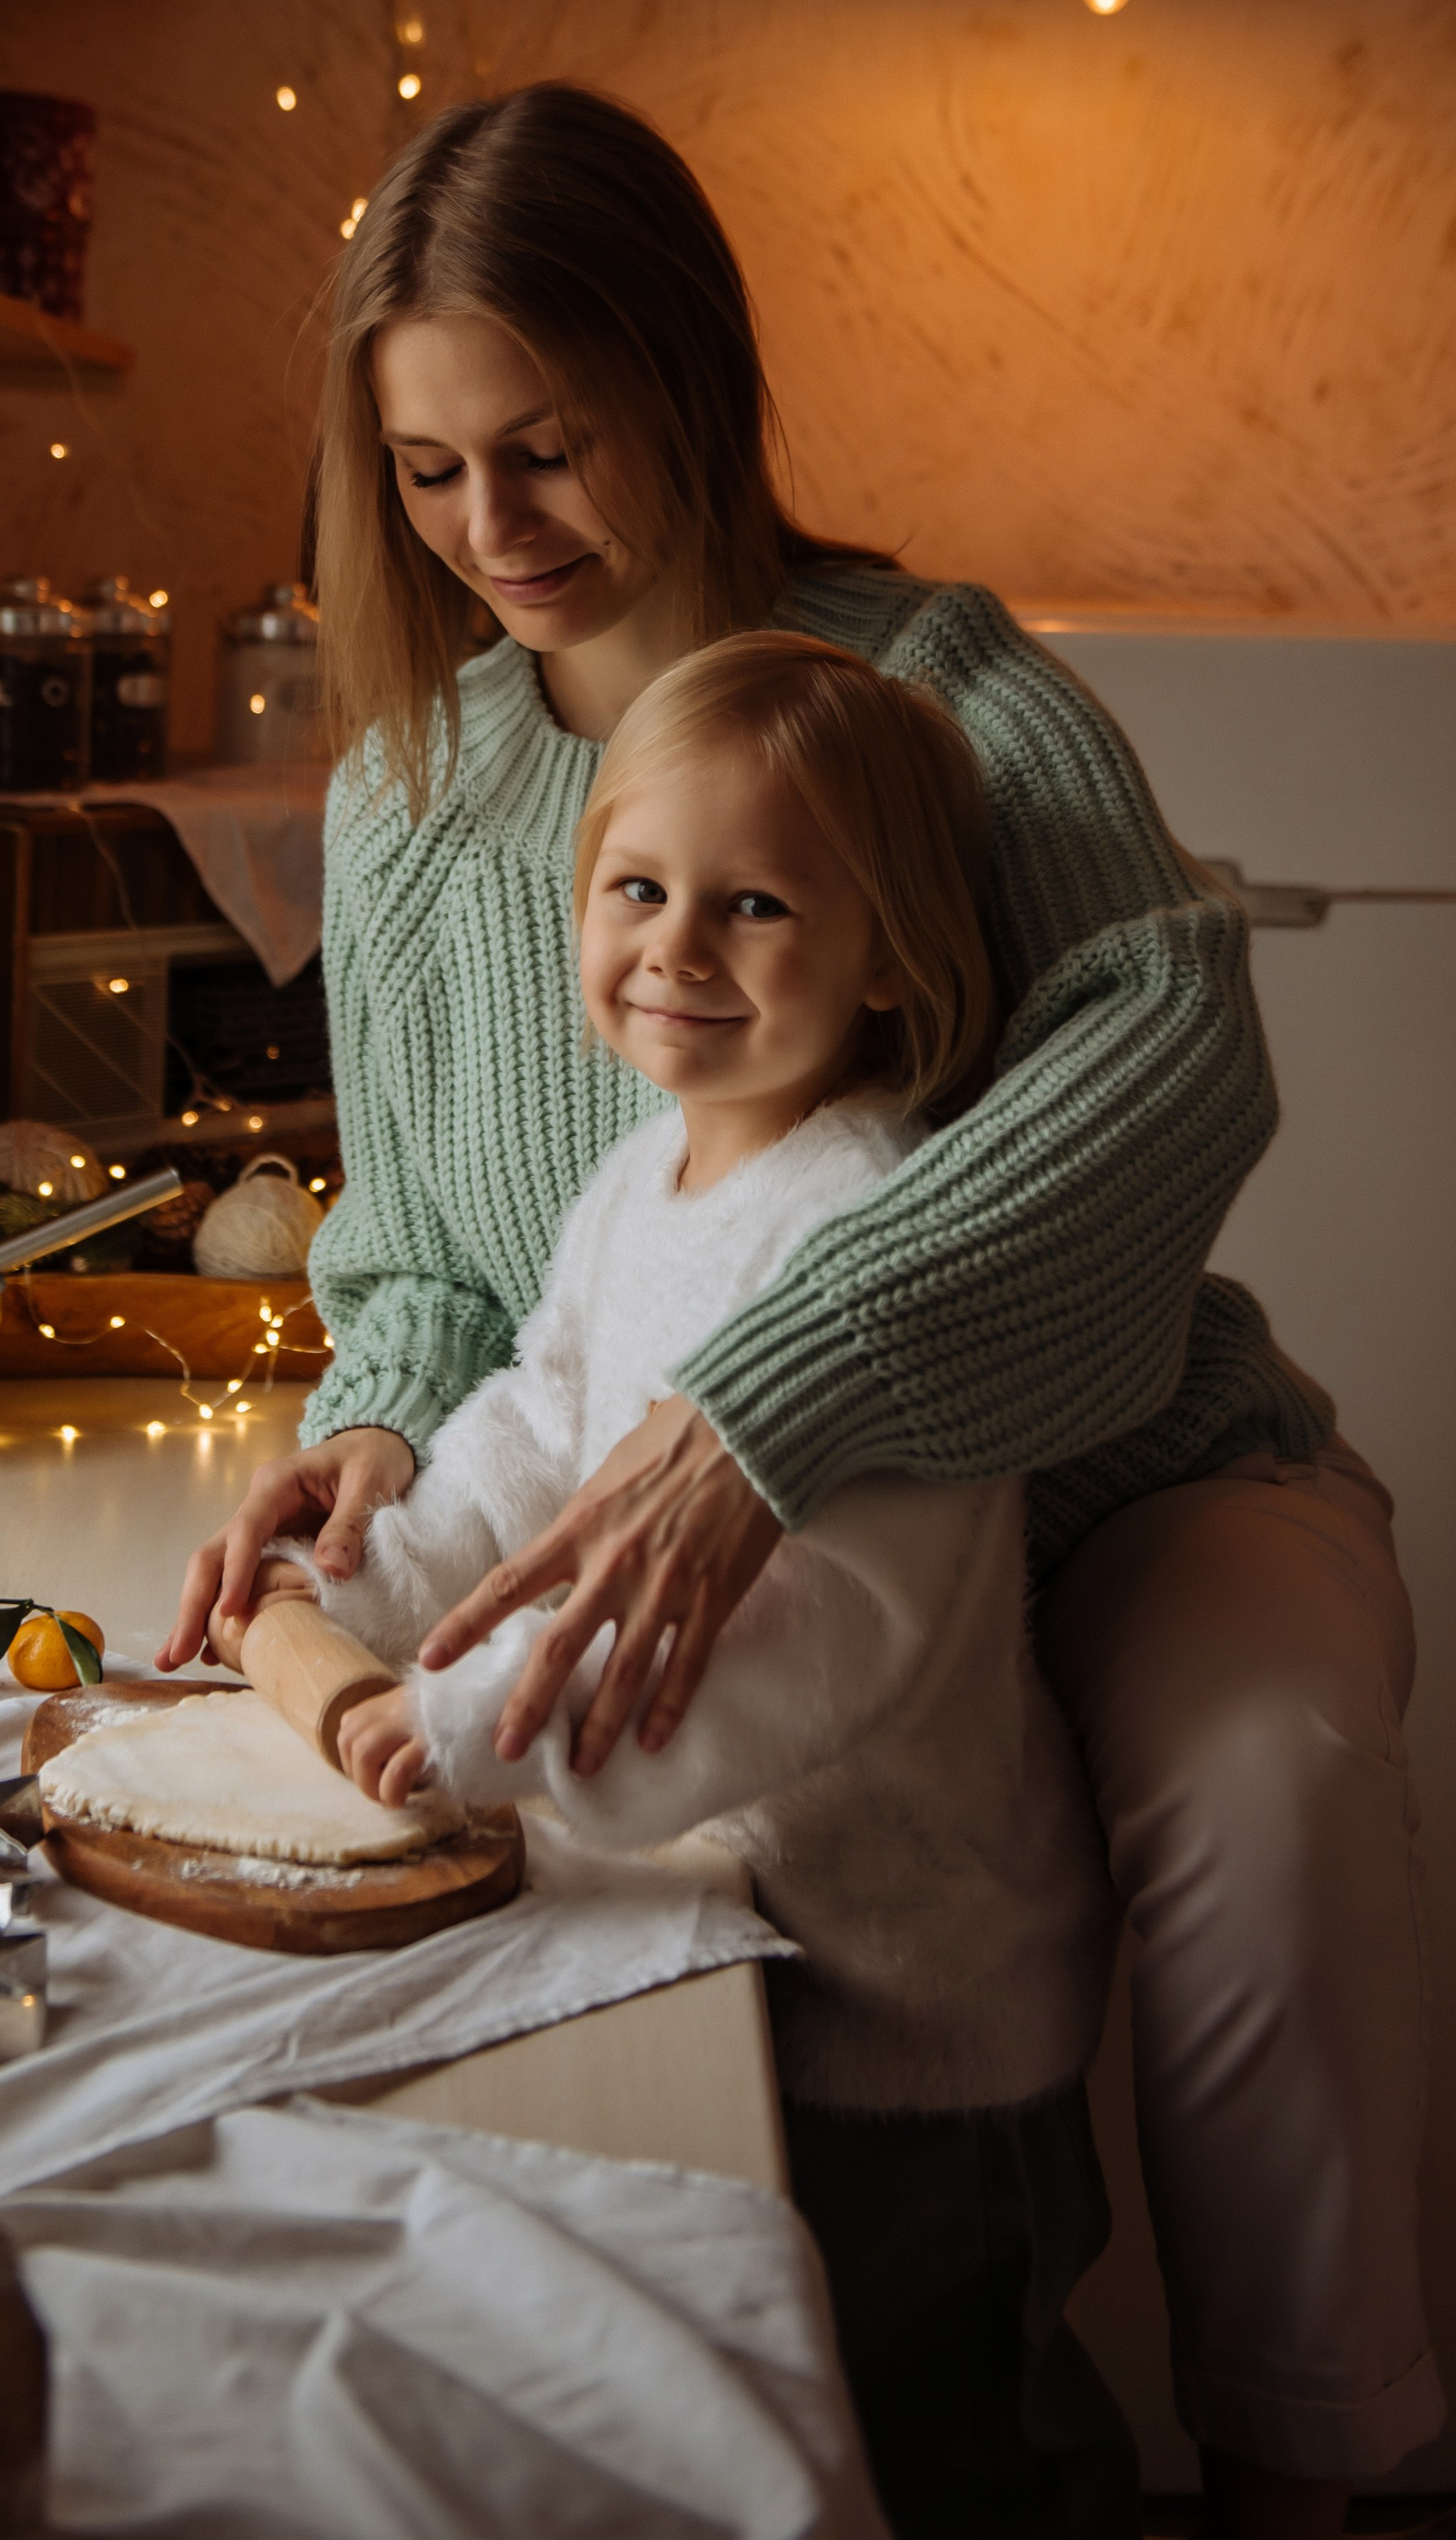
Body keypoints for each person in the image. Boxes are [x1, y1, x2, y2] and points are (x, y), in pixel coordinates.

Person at [162, 83, 1438, 2540]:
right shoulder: (406, 801)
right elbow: (436, 1271)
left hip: (1117, 1487)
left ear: (690, 382)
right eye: (428, 474)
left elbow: (1180, 1042)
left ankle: (1313, 2470)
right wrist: (375, 1437)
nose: (496, 531)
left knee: (1265, 1785)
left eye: (547, 446)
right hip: (743, 1578)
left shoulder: (923, 685)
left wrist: (777, 1393)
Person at [268, 628, 1129, 2533]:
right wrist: (379, 1577)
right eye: (637, 889)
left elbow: (789, 1635)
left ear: (890, 956)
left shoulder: (868, 1241)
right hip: (724, 1932)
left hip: (914, 2009)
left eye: (752, 906)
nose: (675, 948)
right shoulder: (634, 1182)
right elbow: (530, 1427)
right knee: (761, 2402)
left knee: (951, 2439)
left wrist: (468, 1721)